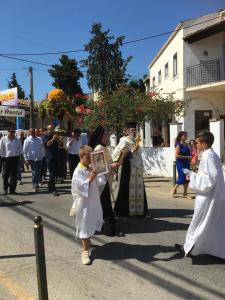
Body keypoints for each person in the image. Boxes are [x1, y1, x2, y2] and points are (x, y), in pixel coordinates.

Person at [175, 131, 225, 259]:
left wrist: (192, 175)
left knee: (199, 222)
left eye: (197, 143)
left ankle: (189, 247)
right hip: (212, 196)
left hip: (209, 197)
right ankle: (191, 247)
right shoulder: (210, 155)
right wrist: (195, 172)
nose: (195, 145)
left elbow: (209, 180)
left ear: (204, 144)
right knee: (207, 224)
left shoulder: (208, 157)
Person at [70, 145, 105, 265]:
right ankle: (85, 251)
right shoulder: (78, 171)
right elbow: (78, 188)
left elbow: (100, 181)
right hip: (84, 204)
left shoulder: (90, 168)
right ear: (81, 156)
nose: (90, 161)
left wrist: (101, 172)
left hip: (93, 201)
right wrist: (90, 179)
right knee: (84, 224)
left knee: (91, 221)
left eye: (91, 158)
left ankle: (87, 242)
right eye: (88, 158)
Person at [112, 122, 149, 218]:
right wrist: (132, 151)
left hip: (137, 170)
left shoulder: (136, 141)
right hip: (128, 169)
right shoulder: (124, 141)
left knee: (139, 189)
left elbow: (138, 155)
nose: (133, 132)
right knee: (126, 189)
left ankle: (139, 210)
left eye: (135, 130)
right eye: (132, 130)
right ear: (127, 131)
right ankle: (124, 211)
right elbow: (116, 155)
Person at [88, 126, 120, 236]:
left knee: (104, 205)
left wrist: (112, 165)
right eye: (106, 134)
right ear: (101, 136)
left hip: (104, 180)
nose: (108, 136)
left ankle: (105, 228)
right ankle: (109, 230)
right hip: (101, 182)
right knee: (105, 205)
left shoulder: (102, 147)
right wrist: (112, 166)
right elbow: (99, 167)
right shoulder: (98, 148)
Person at [0, 129, 22, 195]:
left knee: (14, 176)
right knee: (5, 175)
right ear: (8, 132)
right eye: (11, 132)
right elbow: (1, 149)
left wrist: (20, 158)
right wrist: (2, 157)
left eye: (13, 132)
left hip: (15, 158)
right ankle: (5, 188)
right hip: (6, 159)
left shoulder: (17, 140)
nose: (12, 133)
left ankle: (12, 190)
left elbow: (20, 149)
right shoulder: (3, 139)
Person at [23, 128, 45, 192]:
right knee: (35, 172)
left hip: (39, 158)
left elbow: (42, 147)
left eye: (33, 131)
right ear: (29, 132)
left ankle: (37, 184)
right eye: (31, 132)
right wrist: (26, 159)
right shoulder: (27, 140)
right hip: (32, 159)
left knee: (38, 172)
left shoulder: (39, 139)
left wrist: (43, 155)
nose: (32, 133)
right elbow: (24, 150)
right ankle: (35, 186)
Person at [172, 131, 191, 198]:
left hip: (187, 163)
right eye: (185, 136)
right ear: (181, 137)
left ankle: (185, 193)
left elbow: (189, 153)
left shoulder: (187, 144)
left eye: (186, 135)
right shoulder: (178, 145)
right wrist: (187, 157)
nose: (186, 137)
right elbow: (176, 156)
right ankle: (174, 189)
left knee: (187, 177)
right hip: (181, 163)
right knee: (182, 177)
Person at [42, 125, 59, 196]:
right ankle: (53, 189)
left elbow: (60, 144)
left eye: (53, 129)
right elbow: (48, 144)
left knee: (54, 173)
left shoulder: (55, 136)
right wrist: (53, 138)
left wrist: (58, 139)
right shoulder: (45, 136)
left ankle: (50, 187)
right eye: (50, 129)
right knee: (51, 173)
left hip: (56, 156)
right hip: (49, 157)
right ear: (47, 130)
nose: (52, 130)